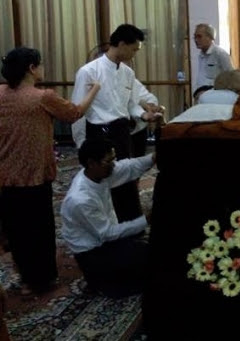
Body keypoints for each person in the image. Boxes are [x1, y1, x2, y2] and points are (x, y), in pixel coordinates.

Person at [0, 47, 100, 294]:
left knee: (16, 229)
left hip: (6, 175)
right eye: (40, 64)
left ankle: (25, 275)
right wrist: (94, 90)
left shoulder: (1, 93)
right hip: (34, 175)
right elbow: (75, 113)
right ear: (32, 69)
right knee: (39, 229)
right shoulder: (42, 97)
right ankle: (41, 279)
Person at [71, 24, 162, 223]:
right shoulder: (89, 71)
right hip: (99, 131)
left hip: (121, 131)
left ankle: (131, 222)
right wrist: (80, 143)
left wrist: (143, 115)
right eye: (133, 49)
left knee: (126, 177)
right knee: (104, 179)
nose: (134, 54)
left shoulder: (127, 72)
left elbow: (130, 103)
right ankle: (107, 224)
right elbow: (78, 110)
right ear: (121, 44)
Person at [60, 138, 155, 297]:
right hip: (92, 252)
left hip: (108, 243)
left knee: (150, 255)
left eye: (114, 159)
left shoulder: (99, 173)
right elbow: (108, 233)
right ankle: (100, 282)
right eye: (109, 161)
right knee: (145, 273)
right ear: (91, 163)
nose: (114, 164)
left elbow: (129, 167)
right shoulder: (80, 199)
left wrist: (153, 158)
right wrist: (146, 220)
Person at [193, 23, 234, 102]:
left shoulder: (220, 54)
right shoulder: (201, 55)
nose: (196, 40)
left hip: (215, 98)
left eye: (199, 36)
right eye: (194, 37)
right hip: (201, 96)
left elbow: (231, 77)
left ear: (210, 37)